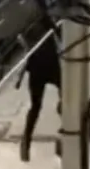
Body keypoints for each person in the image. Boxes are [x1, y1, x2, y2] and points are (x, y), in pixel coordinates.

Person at [18, 22, 62, 160]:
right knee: (37, 106)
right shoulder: (42, 17)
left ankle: (25, 144)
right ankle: (25, 143)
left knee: (37, 107)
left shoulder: (37, 18)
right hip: (44, 66)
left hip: (43, 66)